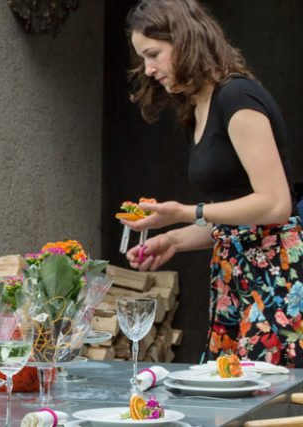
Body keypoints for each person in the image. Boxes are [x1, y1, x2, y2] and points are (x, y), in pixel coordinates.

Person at [121, 0, 303, 367]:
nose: (149, 69)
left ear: (185, 40)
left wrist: (186, 212)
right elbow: (240, 220)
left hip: (277, 280)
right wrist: (172, 237)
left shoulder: (237, 98)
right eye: (143, 59)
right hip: (233, 279)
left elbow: (275, 204)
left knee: (269, 405)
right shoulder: (198, 108)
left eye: (153, 54)